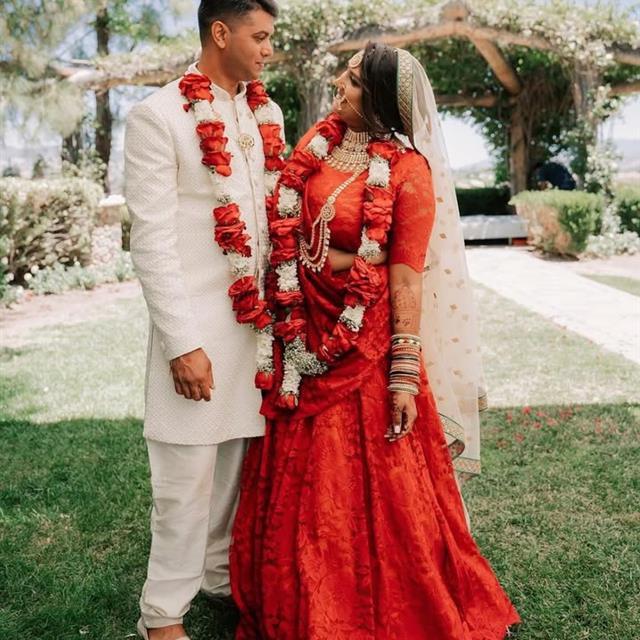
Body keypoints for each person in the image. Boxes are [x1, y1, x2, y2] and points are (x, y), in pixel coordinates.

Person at [230, 43, 521, 639]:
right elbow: (290, 216)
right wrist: (309, 260)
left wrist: (404, 372)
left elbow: (406, 273)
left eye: (356, 82)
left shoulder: (410, 172)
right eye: (347, 74)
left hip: (364, 344)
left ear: (383, 99)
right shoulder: (322, 143)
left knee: (372, 485)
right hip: (301, 331)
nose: (340, 83)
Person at [124, 1, 285, 638]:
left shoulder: (264, 112)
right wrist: (181, 343)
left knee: (234, 473)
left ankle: (218, 576)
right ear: (221, 33)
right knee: (183, 479)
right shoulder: (158, 117)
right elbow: (152, 242)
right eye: (260, 36)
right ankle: (161, 614)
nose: (268, 50)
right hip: (196, 329)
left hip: (259, 331)